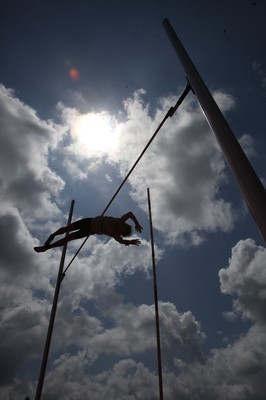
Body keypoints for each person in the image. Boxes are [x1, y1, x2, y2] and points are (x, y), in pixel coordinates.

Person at [34, 211, 143, 252]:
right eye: (122, 227)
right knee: (67, 229)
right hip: (88, 222)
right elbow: (129, 214)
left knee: (68, 238)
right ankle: (52, 235)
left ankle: (47, 248)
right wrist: (137, 223)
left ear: (121, 232)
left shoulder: (115, 234)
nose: (119, 228)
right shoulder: (120, 221)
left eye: (121, 230)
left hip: (90, 230)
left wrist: (130, 243)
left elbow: (121, 242)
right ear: (123, 225)